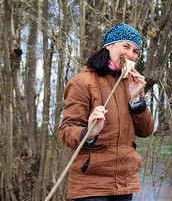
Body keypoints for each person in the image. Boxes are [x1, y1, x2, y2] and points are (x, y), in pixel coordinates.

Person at [59, 23, 154, 201]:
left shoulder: (132, 83)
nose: (130, 54)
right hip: (91, 184)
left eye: (135, 51)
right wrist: (90, 132)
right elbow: (65, 132)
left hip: (125, 182)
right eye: (125, 46)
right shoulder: (82, 81)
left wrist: (136, 100)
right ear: (108, 46)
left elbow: (146, 131)